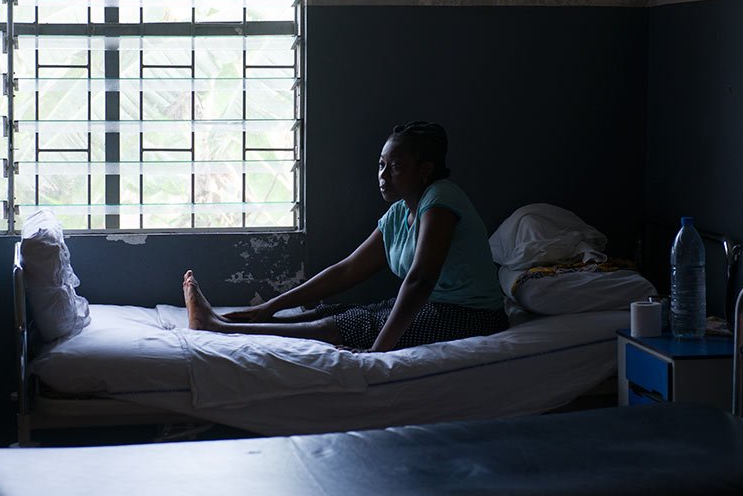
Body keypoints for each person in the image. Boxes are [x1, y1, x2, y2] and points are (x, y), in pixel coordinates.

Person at [183, 121, 506, 352]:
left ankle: (218, 327)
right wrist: (270, 306)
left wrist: (378, 351)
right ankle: (234, 323)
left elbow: (420, 280)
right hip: (435, 306)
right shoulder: (399, 212)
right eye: (381, 165)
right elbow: (348, 270)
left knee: (342, 327)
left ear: (425, 170)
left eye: (395, 166)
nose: (383, 175)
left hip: (472, 317)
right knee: (329, 312)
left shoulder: (441, 198)